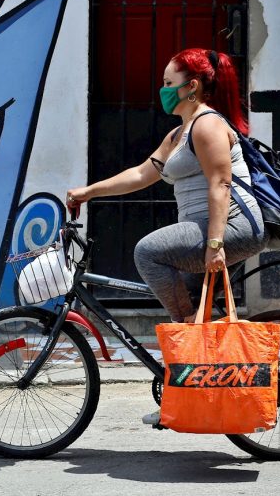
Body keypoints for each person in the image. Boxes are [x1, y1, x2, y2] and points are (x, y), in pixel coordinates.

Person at [66, 48, 267, 423]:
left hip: (233, 226)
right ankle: (199, 390)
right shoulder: (179, 134)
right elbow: (142, 174)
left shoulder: (207, 125)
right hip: (209, 228)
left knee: (148, 252)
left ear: (192, 87)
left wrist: (215, 244)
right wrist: (88, 192)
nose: (162, 90)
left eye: (168, 83)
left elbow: (221, 184)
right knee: (194, 307)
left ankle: (191, 342)